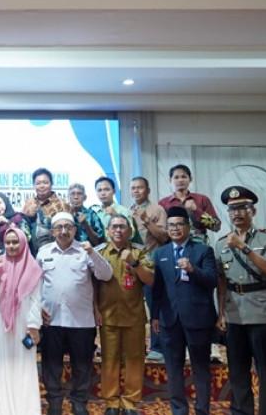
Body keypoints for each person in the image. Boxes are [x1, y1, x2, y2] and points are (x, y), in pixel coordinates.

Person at [215, 186, 266, 415]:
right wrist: (221, 313)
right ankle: (241, 411)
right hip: (234, 314)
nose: (236, 213)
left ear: (252, 211)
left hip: (263, 312)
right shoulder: (220, 244)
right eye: (232, 209)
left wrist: (243, 247)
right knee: (237, 370)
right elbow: (221, 282)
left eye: (242, 208)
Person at [37, 212, 112, 415]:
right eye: (59, 227)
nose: (63, 231)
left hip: (81, 321)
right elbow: (35, 283)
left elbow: (106, 275)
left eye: (68, 227)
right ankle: (54, 403)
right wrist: (38, 308)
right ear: (52, 231)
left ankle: (79, 403)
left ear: (74, 230)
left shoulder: (85, 250)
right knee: (51, 366)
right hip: (51, 320)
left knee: (82, 366)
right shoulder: (43, 252)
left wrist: (93, 253)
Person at [151, 206, 218, 415]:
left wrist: (192, 269)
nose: (175, 229)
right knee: (173, 369)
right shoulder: (160, 253)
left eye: (180, 224)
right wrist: (154, 316)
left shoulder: (203, 250)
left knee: (201, 368)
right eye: (171, 225)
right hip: (169, 320)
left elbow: (212, 281)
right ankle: (179, 410)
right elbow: (156, 289)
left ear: (188, 227)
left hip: (198, 319)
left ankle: (202, 410)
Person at [0, 228, 43, 415]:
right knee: (0, 365)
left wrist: (33, 326)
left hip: (23, 325)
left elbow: (36, 300)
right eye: (8, 242)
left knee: (23, 366)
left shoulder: (33, 268)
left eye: (15, 242)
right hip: (0, 324)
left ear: (23, 243)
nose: (11, 246)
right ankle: (0, 409)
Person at [96, 215, 155, 415]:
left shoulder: (140, 251)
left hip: (134, 315)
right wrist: (95, 309)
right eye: (114, 227)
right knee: (109, 360)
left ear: (130, 230)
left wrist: (134, 263)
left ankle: (130, 402)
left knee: (134, 360)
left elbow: (150, 280)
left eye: (122, 227)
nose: (118, 230)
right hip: (108, 315)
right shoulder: (100, 252)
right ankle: (112, 402)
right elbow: (92, 284)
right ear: (108, 231)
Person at [128, 176, 168, 361]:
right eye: (133, 188)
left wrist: (146, 221)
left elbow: (164, 237)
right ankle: (135, 345)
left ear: (148, 190)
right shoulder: (128, 211)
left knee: (155, 307)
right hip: (131, 265)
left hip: (151, 266)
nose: (136, 191)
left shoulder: (157, 209)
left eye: (140, 187)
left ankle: (158, 347)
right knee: (131, 307)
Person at [158, 164, 221, 244]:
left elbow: (216, 226)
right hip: (174, 245)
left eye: (184, 177)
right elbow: (161, 231)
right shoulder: (163, 203)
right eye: (176, 177)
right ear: (170, 180)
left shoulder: (202, 199)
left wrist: (196, 210)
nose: (180, 180)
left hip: (199, 245)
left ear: (190, 179)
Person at [21, 168, 70, 252]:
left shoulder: (62, 204)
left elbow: (69, 231)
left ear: (51, 184)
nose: (42, 186)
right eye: (38, 183)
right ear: (34, 186)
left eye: (45, 183)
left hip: (56, 251)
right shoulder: (29, 203)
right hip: (31, 252)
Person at [92, 176, 141, 244]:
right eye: (99, 190)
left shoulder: (123, 211)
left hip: (120, 248)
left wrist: (116, 215)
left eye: (106, 189)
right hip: (100, 248)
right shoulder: (94, 212)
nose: (103, 193)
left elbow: (131, 234)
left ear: (114, 191)